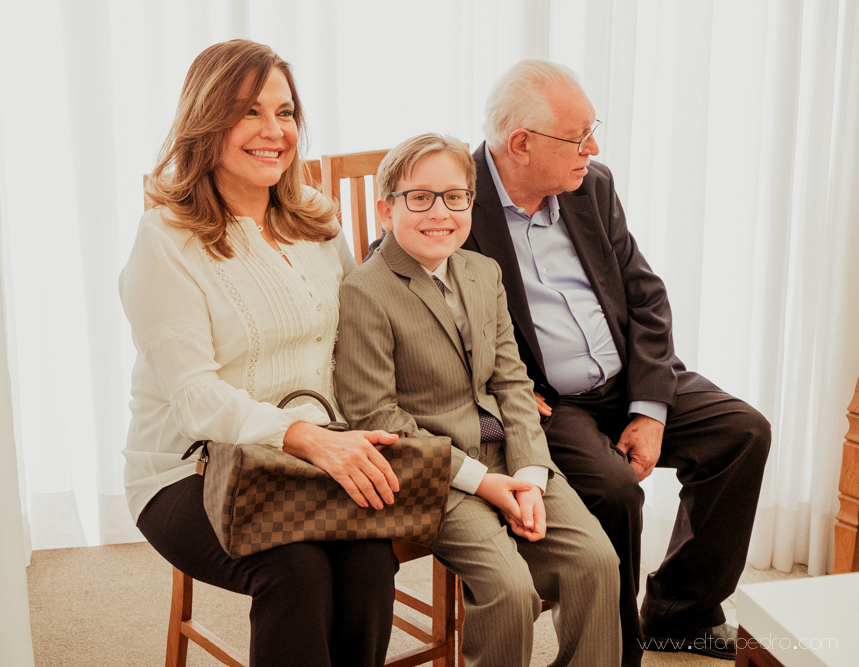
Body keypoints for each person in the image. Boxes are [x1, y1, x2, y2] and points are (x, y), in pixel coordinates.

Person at [464, 61, 772, 663]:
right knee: (614, 491)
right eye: (578, 136)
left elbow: (644, 295)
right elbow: (401, 291)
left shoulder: (591, 185)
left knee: (742, 433)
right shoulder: (456, 195)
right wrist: (494, 389)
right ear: (521, 144)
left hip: (627, 374)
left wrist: (650, 407)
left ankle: (679, 614)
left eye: (592, 131)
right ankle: (617, 652)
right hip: (549, 402)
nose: (594, 148)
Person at [119, 39, 403, 667]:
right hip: (190, 470)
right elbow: (196, 399)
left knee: (369, 557)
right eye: (249, 111)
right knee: (295, 569)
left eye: (285, 112)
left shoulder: (316, 219)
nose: (275, 131)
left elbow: (360, 338)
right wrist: (304, 437)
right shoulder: (166, 239)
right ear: (206, 121)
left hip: (316, 454)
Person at [336, 133, 622, 667]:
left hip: (509, 455)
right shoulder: (364, 292)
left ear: (471, 203)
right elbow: (376, 417)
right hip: (432, 470)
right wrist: (483, 482)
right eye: (419, 197)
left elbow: (513, 382)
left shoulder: (483, 272)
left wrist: (531, 475)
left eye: (455, 197)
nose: (439, 212)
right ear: (386, 211)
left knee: (596, 561)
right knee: (510, 591)